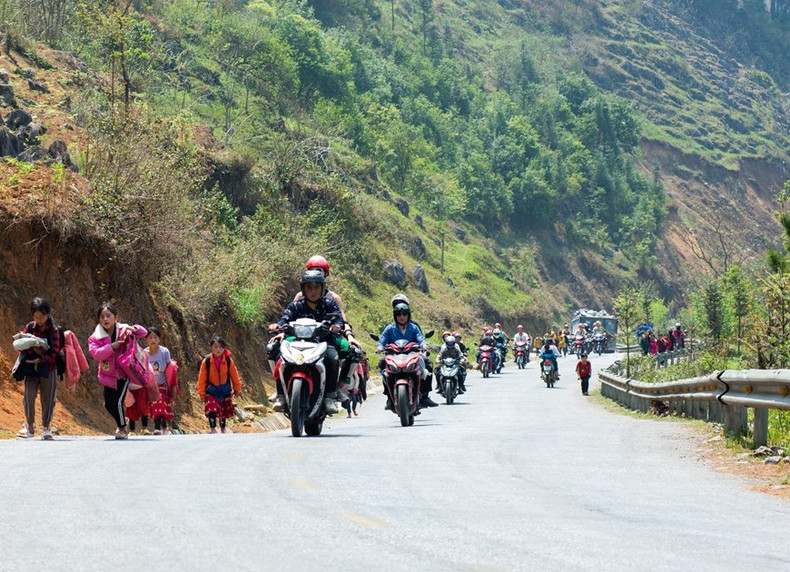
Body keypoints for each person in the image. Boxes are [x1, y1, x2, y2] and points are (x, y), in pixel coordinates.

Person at [269, 269, 348, 414]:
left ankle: (329, 396)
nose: (313, 291)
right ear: (303, 289)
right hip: (298, 343)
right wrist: (278, 326)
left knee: (332, 358)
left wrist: (336, 326)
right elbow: (285, 318)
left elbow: (338, 319)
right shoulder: (296, 306)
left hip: (324, 343)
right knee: (278, 355)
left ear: (322, 288)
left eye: (316, 287)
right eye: (309, 287)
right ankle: (281, 394)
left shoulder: (330, 304)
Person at [88, 303, 147, 440]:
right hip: (107, 375)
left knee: (118, 401)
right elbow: (96, 354)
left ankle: (122, 429)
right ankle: (123, 422)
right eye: (102, 316)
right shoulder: (95, 337)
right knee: (108, 404)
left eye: (108, 315)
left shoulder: (123, 329)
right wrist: (113, 346)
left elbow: (143, 333)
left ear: (116, 317)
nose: (105, 319)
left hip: (123, 373)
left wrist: (132, 328)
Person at [15, 297, 62, 440]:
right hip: (31, 367)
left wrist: (41, 358)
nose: (38, 319)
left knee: (48, 399)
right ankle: (29, 427)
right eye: (35, 316)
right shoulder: (29, 327)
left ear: (48, 314)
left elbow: (54, 352)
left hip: (48, 368)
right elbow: (22, 345)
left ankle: (46, 428)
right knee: (28, 396)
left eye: (41, 316)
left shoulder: (53, 330)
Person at [377, 300, 437, 409]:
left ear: (408, 315)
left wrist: (423, 346)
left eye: (404, 314)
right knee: (382, 364)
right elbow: (382, 340)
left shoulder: (414, 328)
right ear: (395, 316)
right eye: (399, 314)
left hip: (412, 354)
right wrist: (380, 347)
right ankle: (389, 398)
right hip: (393, 355)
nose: (402, 317)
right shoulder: (389, 328)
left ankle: (425, 396)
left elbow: (420, 339)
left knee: (428, 362)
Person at [197, 335, 242, 434]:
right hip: (211, 390)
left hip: (224, 389)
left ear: (224, 348)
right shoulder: (206, 361)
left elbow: (234, 375)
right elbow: (202, 378)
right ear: (211, 348)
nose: (218, 349)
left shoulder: (228, 360)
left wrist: (237, 389)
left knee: (223, 410)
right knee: (212, 409)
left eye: (221, 347)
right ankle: (212, 428)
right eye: (215, 347)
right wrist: (202, 393)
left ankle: (223, 428)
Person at [145, 327, 176, 435]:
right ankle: (163, 425)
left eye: (155, 337)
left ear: (159, 339)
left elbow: (169, 368)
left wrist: (172, 385)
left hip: (162, 384)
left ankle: (158, 427)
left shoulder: (164, 352)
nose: (153, 340)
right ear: (146, 339)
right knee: (155, 405)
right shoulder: (144, 353)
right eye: (150, 337)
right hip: (151, 385)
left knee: (160, 403)